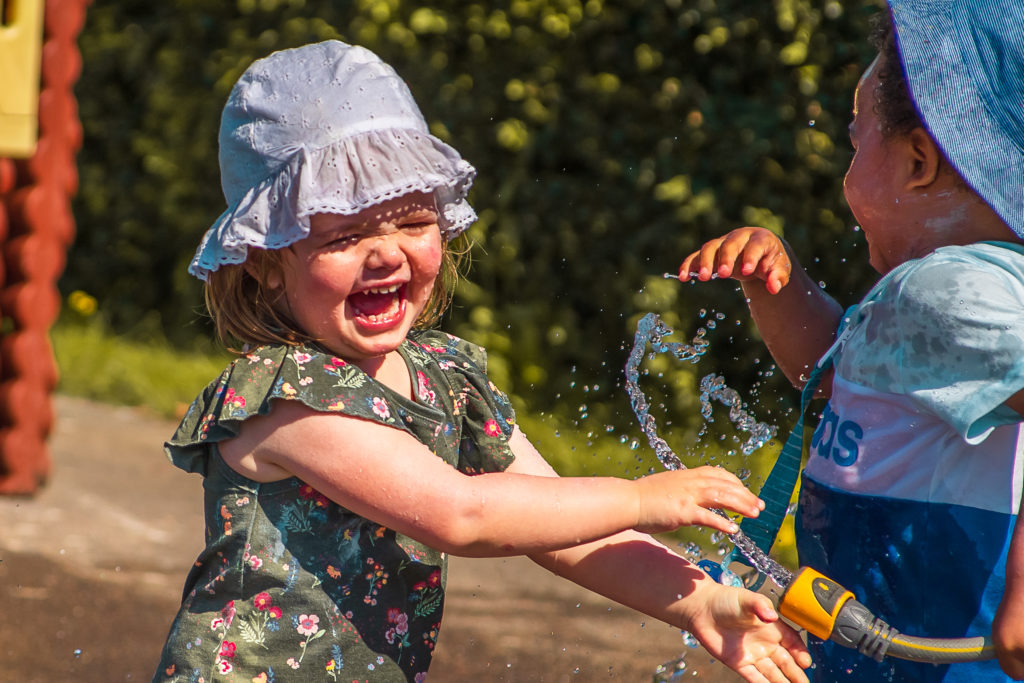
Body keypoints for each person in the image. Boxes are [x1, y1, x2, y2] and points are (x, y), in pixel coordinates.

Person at [152, 40, 812, 683]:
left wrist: (696, 599)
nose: (386, 254)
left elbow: (563, 528)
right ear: (268, 261)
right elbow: (463, 514)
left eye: (411, 223)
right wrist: (639, 498)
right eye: (346, 234)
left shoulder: (445, 375)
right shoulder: (287, 397)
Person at [679, 0, 1024, 680]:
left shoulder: (955, 290)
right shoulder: (928, 297)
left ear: (919, 161)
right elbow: (840, 373)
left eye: (854, 136)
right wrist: (776, 285)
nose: (846, 163)